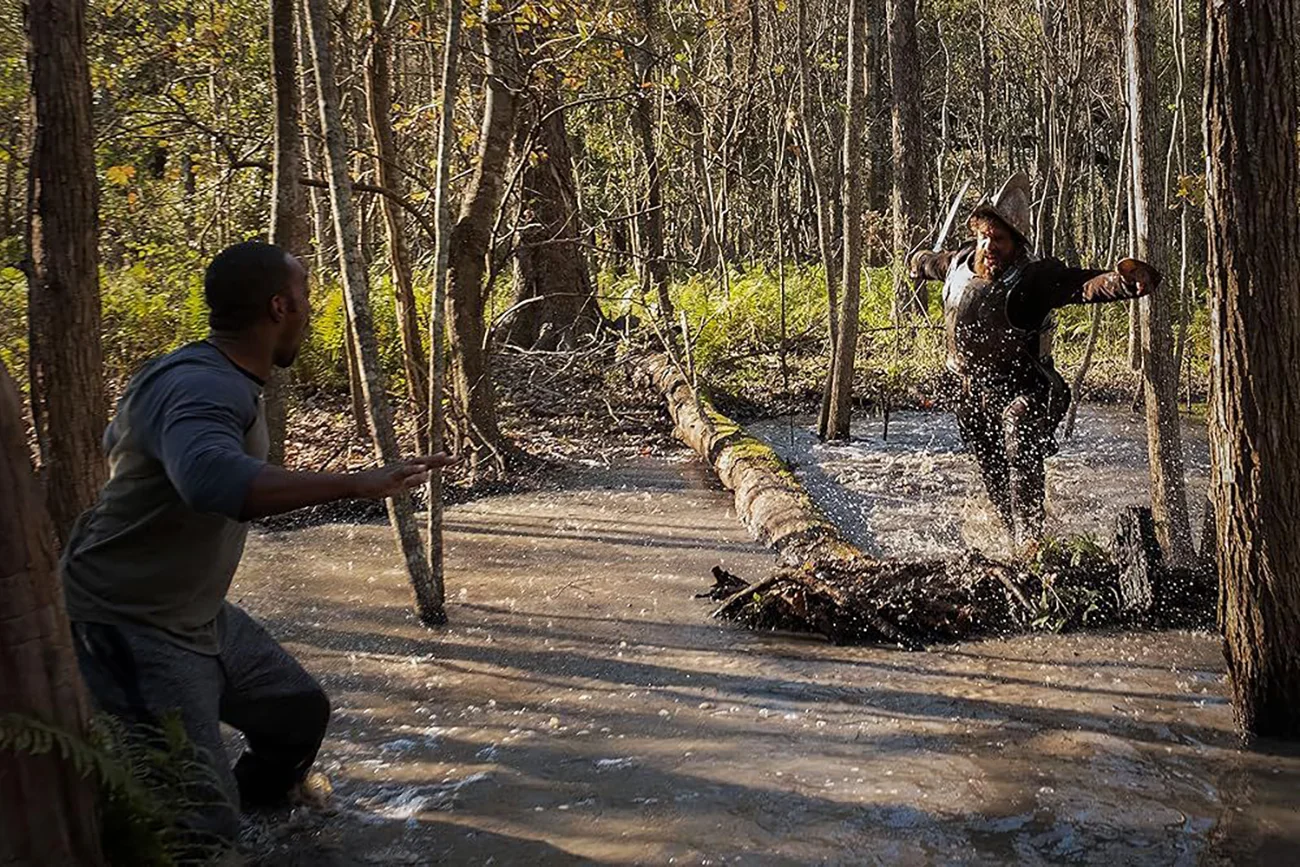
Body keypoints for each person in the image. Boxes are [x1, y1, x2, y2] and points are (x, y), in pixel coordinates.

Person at [61, 241, 455, 849]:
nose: (309, 307)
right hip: (131, 623)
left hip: (198, 615)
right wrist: (357, 482)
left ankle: (273, 834)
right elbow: (211, 481)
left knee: (296, 714)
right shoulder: (201, 385)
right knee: (198, 828)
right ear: (279, 307)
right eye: (305, 297)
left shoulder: (215, 375)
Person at [908, 173, 1161, 550]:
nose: (989, 245)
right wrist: (917, 260)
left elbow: (1083, 286)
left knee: (1017, 429)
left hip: (1027, 389)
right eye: (985, 236)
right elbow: (933, 264)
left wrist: (1124, 281)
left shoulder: (1033, 278)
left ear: (1015, 243)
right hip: (972, 390)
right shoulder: (961, 261)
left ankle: (1032, 545)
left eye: (999, 239)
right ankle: (1008, 538)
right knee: (992, 470)